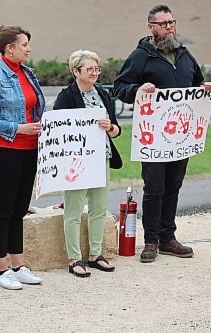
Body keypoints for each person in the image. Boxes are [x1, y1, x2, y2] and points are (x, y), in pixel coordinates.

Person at [113, 4, 211, 263]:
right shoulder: (140, 56)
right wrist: (138, 89)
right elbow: (119, 87)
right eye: (164, 23)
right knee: (154, 187)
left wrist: (206, 88)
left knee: (173, 185)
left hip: (181, 135)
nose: (170, 27)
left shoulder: (184, 55)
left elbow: (196, 85)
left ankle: (168, 237)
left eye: (172, 22)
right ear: (151, 27)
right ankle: (151, 241)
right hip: (154, 136)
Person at [0, 25, 46, 290]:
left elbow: (34, 109)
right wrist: (18, 129)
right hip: (3, 153)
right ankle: (1, 269)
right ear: (10, 48)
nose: (28, 49)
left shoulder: (27, 73)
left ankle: (18, 266)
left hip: (29, 151)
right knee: (2, 210)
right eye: (24, 44)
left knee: (19, 209)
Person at [54, 50, 122, 277]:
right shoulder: (66, 96)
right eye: (89, 69)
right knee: (73, 209)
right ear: (76, 71)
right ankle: (74, 259)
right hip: (77, 162)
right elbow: (60, 130)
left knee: (99, 208)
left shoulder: (102, 94)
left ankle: (95, 254)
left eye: (96, 69)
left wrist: (109, 128)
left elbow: (116, 129)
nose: (94, 73)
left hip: (101, 158)